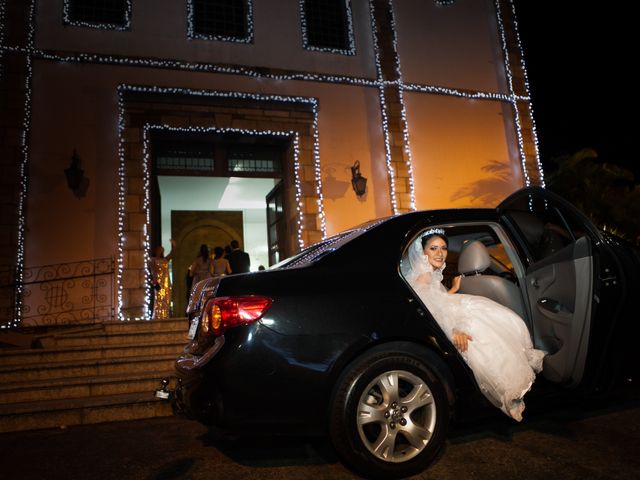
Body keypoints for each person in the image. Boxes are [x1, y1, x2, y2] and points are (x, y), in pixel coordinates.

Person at [404, 228, 545, 421]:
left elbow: (433, 301)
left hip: (448, 309)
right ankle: (509, 393)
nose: (440, 253)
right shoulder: (425, 275)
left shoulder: (425, 273)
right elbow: (429, 309)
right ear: (423, 252)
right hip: (446, 317)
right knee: (487, 329)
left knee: (491, 319)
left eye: (443, 248)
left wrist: (452, 290)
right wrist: (453, 329)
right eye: (433, 248)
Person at [148, 238, 176, 320]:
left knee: (167, 299)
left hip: (166, 283)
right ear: (156, 250)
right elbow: (153, 270)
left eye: (162, 250)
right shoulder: (152, 259)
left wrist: (174, 245)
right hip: (159, 282)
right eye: (160, 250)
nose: (161, 251)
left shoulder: (165, 260)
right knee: (159, 298)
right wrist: (155, 279)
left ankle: (165, 315)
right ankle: (158, 316)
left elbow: (172, 254)